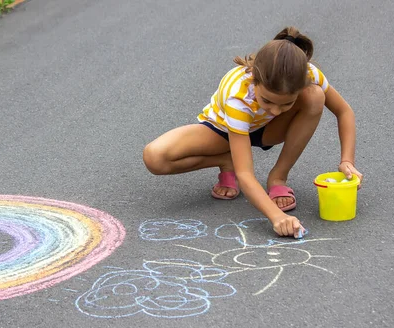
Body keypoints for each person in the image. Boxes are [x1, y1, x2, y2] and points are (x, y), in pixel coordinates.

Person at [142, 26, 364, 238]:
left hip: (267, 129)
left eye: (286, 104)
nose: (276, 110)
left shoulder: (307, 74)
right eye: (267, 100)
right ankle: (226, 160)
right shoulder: (238, 96)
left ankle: (278, 178)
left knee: (315, 96)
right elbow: (246, 174)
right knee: (155, 157)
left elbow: (344, 111)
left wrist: (347, 161)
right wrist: (276, 217)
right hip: (223, 131)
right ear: (254, 78)